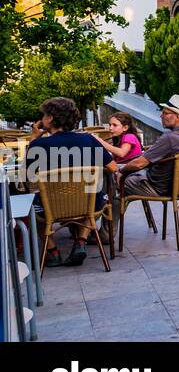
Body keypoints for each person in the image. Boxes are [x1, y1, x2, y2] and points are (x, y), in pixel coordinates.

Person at [24, 97, 115, 268]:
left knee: (29, 206)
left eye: (43, 115)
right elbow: (113, 167)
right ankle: (80, 241)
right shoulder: (89, 140)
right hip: (90, 203)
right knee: (94, 194)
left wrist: (33, 139)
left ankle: (52, 252)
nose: (41, 119)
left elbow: (27, 173)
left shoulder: (40, 145)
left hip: (52, 206)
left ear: (50, 119)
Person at [119, 95, 179, 200]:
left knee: (115, 178)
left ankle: (104, 213)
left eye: (165, 113)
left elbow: (139, 164)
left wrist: (121, 170)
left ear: (178, 116)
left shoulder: (170, 138)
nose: (161, 116)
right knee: (128, 181)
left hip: (158, 189)